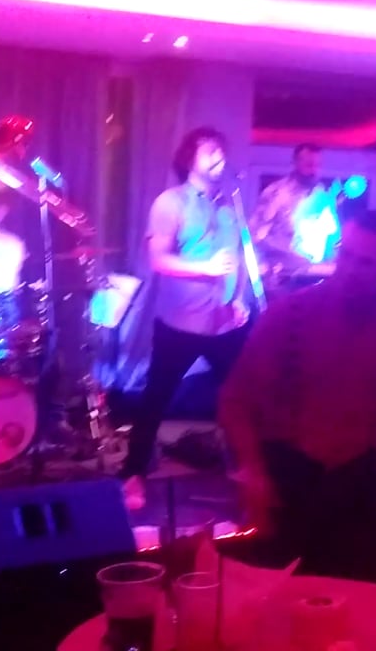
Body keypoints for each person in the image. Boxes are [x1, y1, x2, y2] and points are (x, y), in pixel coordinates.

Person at [219, 210, 376, 579]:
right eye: (346, 255)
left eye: (365, 263)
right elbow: (236, 400)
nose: (350, 270)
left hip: (360, 481)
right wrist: (252, 470)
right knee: (281, 597)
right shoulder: (289, 315)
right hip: (289, 478)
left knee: (357, 595)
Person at [119, 127, 251, 509]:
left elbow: (239, 259)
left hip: (224, 322)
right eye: (210, 150)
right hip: (180, 322)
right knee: (156, 399)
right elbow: (159, 260)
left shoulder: (230, 205)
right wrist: (205, 268)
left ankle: (245, 466)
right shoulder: (170, 202)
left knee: (242, 399)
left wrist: (238, 298)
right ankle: (133, 474)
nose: (219, 155)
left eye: (221, 149)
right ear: (189, 159)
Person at [251, 143, 339, 293]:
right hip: (283, 277)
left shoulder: (322, 195)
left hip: (315, 276)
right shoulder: (276, 193)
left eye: (318, 165)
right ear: (295, 163)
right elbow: (256, 235)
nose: (314, 170)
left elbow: (332, 237)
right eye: (309, 165)